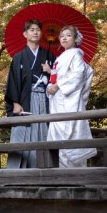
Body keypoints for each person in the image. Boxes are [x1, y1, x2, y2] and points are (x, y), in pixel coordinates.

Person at [4, 19, 57, 169]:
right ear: (25, 34)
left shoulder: (50, 56)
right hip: (25, 101)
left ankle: (45, 168)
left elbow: (59, 79)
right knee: (23, 131)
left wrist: (51, 70)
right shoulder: (19, 57)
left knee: (44, 130)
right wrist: (15, 102)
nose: (35, 32)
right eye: (32, 29)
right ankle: (18, 172)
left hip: (45, 99)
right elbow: (13, 81)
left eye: (38, 30)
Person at [42, 25, 96, 168]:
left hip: (68, 101)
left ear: (76, 39)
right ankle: (59, 172)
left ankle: (72, 174)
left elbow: (78, 75)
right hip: (58, 101)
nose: (64, 38)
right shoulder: (62, 56)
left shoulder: (76, 54)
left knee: (68, 132)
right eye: (62, 36)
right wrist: (50, 73)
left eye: (68, 35)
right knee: (57, 134)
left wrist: (59, 85)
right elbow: (57, 77)